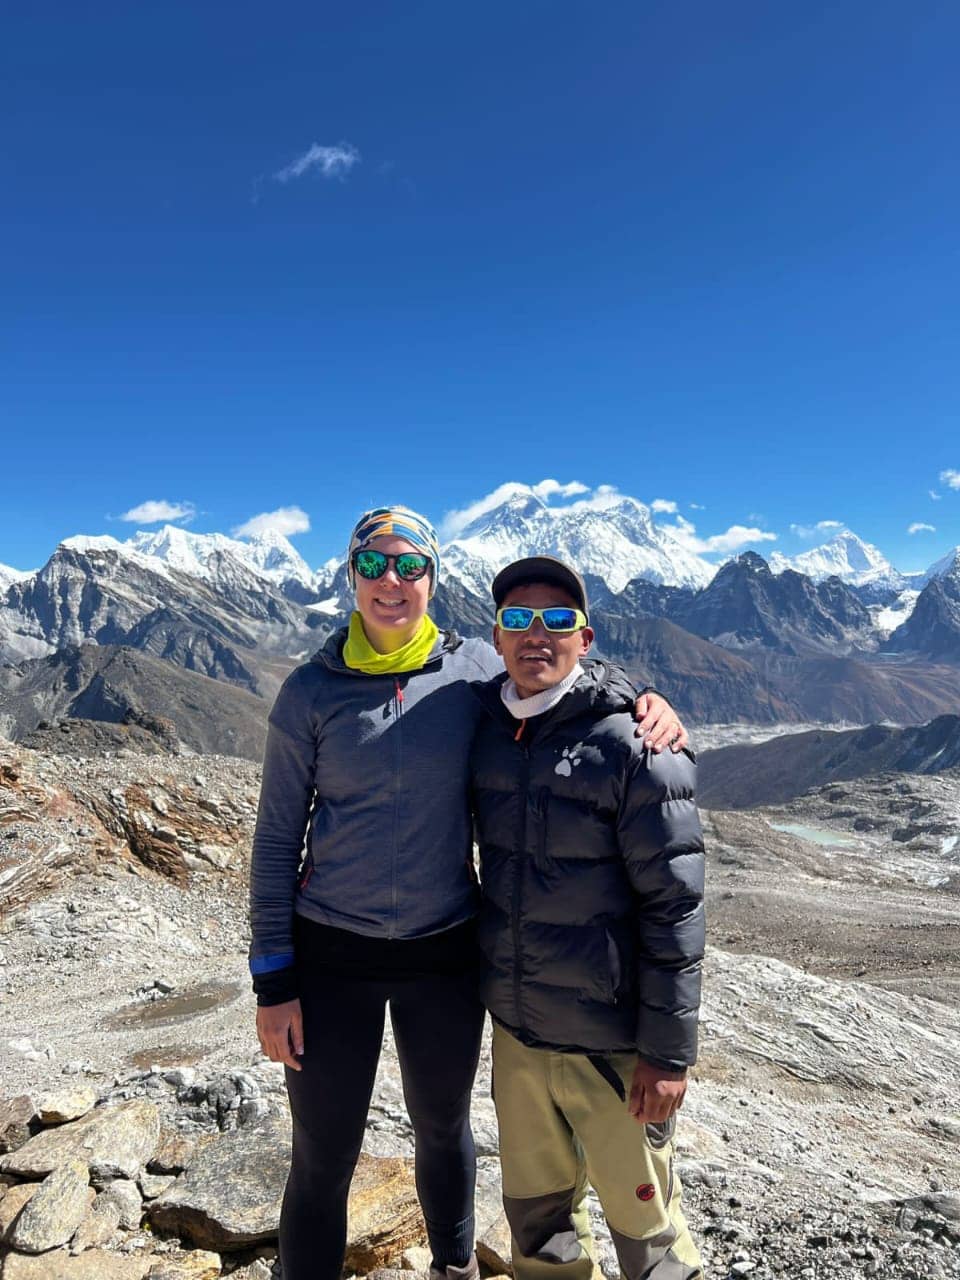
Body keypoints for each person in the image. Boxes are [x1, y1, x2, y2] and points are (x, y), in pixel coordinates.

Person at [248, 506, 689, 1280]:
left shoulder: (474, 670)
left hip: (443, 956)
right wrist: (273, 981)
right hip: (330, 961)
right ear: (350, 577)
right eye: (376, 566)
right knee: (323, 1152)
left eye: (411, 566)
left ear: (432, 578)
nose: (394, 583)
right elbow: (278, 839)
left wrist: (643, 695)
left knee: (444, 1126)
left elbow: (554, 669)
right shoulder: (309, 693)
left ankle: (453, 1268)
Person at [469, 555, 705, 1280]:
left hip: (614, 1051)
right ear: (497, 636)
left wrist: (669, 1054)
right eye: (516, 619)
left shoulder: (638, 746)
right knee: (540, 1229)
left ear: (587, 635)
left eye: (556, 619)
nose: (535, 634)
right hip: (520, 1039)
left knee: (649, 1235)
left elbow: (675, 906)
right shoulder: (484, 727)